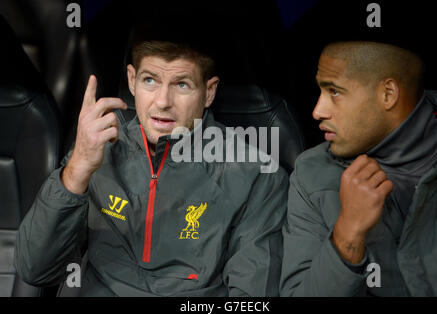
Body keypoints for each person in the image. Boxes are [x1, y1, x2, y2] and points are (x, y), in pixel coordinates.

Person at [14, 37, 288, 296]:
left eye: (182, 84)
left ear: (209, 92)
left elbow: (252, 298)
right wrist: (77, 170)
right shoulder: (98, 147)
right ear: (132, 81)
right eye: (150, 80)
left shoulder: (255, 174)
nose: (162, 102)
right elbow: (35, 269)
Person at [280, 41, 437, 296]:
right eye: (321, 91)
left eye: (334, 91)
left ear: (388, 94)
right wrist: (347, 233)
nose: (317, 111)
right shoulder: (312, 174)